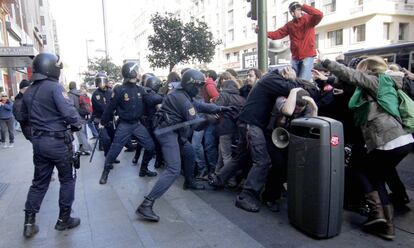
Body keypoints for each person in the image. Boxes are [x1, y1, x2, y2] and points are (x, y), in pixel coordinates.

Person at [322, 56, 414, 240]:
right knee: (376, 176)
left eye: (362, 68)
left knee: (359, 169)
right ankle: (384, 223)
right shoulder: (388, 83)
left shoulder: (376, 80)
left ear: (369, 69)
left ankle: (380, 217)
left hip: (387, 138)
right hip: (401, 139)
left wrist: (326, 62)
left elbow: (349, 75)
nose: (360, 71)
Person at [209, 66, 318, 212]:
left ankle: (218, 179)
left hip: (247, 122)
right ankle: (246, 197)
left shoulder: (269, 79)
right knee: (263, 161)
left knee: (241, 156)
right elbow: (293, 89)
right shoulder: (273, 79)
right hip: (252, 124)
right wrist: (293, 79)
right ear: (285, 73)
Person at [136, 69, 235, 222]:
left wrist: (221, 108)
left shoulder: (183, 94)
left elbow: (200, 106)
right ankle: (146, 204)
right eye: (198, 86)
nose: (199, 89)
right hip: (168, 133)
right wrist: (211, 120)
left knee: (189, 152)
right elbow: (196, 125)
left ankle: (189, 181)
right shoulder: (181, 98)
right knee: (173, 169)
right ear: (190, 85)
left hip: (174, 131)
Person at [21, 53, 82, 238]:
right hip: (57, 143)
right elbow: (69, 113)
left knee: (39, 183)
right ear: (50, 68)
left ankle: (29, 223)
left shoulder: (29, 90)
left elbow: (22, 116)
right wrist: (77, 122)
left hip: (38, 142)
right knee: (67, 179)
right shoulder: (55, 87)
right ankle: (64, 220)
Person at [98, 61, 163, 184]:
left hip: (137, 125)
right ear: (132, 72)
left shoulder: (140, 89)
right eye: (137, 70)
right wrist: (103, 121)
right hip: (124, 125)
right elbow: (110, 108)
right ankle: (105, 172)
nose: (139, 73)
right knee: (115, 150)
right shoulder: (119, 89)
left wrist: (165, 96)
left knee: (150, 147)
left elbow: (151, 100)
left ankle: (143, 169)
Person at [262, 88, 317, 212]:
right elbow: (287, 111)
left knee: (286, 168)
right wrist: (293, 92)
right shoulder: (282, 100)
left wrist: (314, 108)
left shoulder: (307, 107)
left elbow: (313, 122)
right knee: (278, 166)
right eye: (296, 106)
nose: (297, 110)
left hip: (291, 142)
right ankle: (269, 197)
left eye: (300, 108)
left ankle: (277, 191)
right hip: (273, 137)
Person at [258, 1, 323, 81]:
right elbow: (277, 34)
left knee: (303, 81)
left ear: (300, 10)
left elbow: (319, 14)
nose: (292, 14)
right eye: (291, 12)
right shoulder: (290, 25)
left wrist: (303, 6)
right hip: (295, 57)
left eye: (294, 11)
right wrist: (262, 32)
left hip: (307, 56)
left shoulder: (309, 19)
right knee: (293, 80)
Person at [68, 81, 92, 155]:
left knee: (79, 133)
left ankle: (86, 149)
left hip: (76, 116)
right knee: (82, 133)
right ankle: (82, 148)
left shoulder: (70, 95)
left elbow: (71, 106)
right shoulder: (80, 93)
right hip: (83, 115)